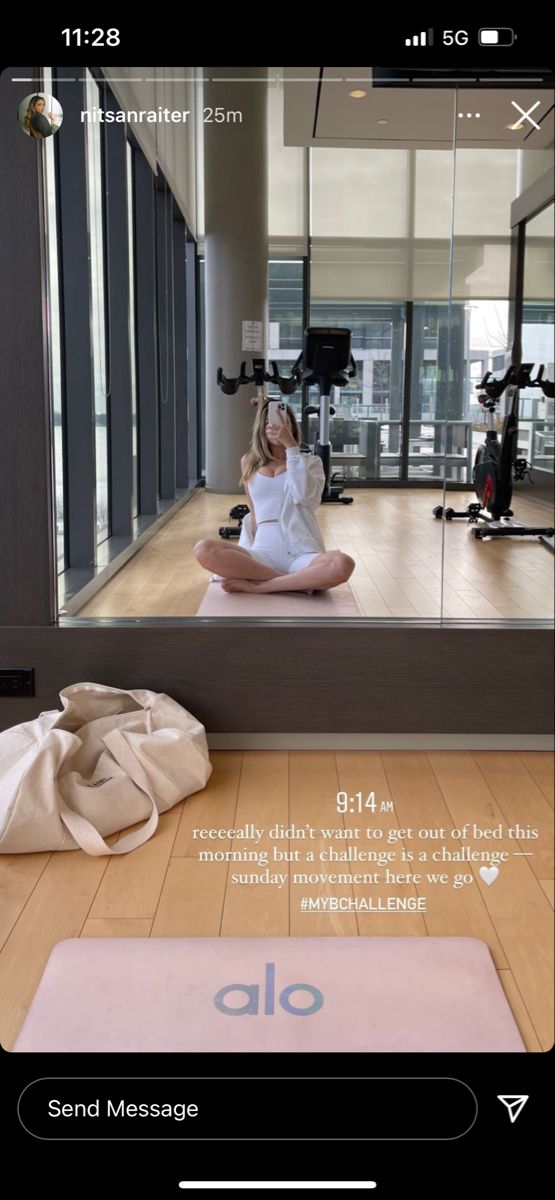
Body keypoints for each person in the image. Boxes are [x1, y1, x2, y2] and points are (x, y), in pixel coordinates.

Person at [194, 400, 355, 594]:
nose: (275, 426)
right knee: (204, 549)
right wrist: (242, 558)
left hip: (300, 552)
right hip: (262, 553)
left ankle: (263, 586)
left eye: (283, 422)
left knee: (343, 564)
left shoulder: (311, 462)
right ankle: (296, 583)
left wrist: (291, 447)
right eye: (270, 422)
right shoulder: (248, 462)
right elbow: (254, 513)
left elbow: (305, 497)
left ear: (292, 428)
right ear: (262, 429)